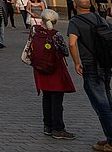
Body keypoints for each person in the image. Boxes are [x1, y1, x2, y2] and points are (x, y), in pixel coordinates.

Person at [67, 0, 112, 152]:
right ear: (89, 6)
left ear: (75, 6)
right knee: (109, 104)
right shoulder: (99, 18)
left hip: (91, 68)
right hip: (105, 66)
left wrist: (76, 63)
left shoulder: (75, 21)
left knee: (102, 107)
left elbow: (72, 43)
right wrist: (111, 54)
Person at [29, 9, 76, 140]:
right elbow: (65, 51)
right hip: (55, 70)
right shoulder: (56, 35)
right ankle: (58, 129)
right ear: (54, 22)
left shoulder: (34, 32)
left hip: (40, 69)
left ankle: (48, 126)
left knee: (46, 97)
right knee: (56, 100)